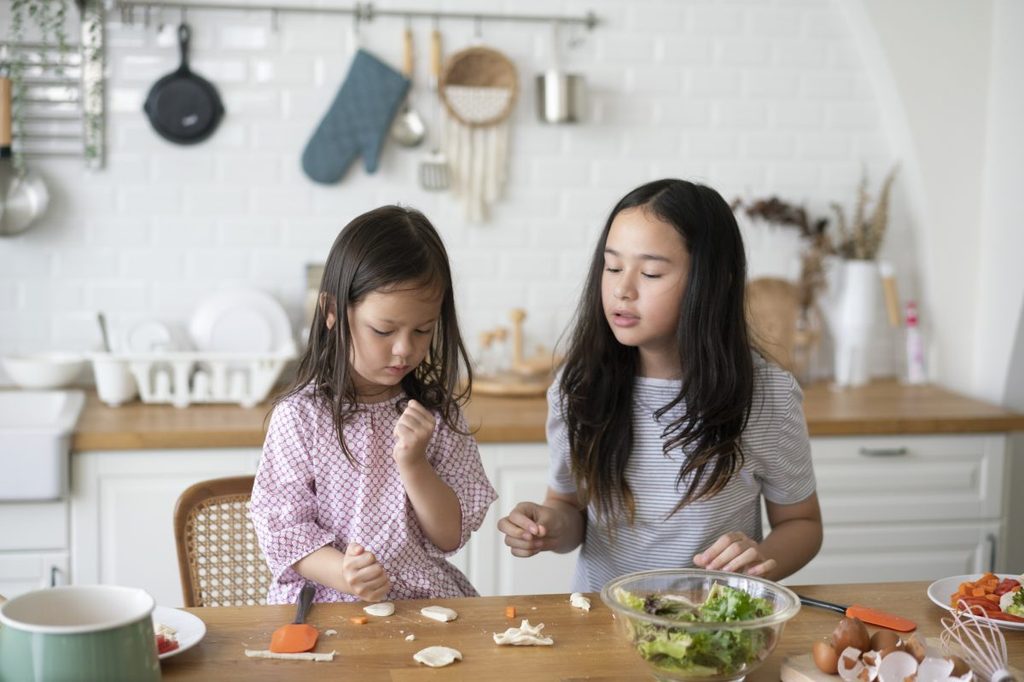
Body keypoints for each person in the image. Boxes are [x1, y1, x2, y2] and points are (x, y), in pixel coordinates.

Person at [497, 179, 822, 592]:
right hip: (602, 623)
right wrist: (545, 527)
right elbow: (568, 507)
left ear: (714, 280)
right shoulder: (579, 387)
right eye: (612, 267)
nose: (621, 289)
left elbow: (802, 523)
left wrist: (760, 560)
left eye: (650, 272)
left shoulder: (766, 396)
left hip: (711, 631)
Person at [251, 205, 497, 604]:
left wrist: (414, 464)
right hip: (327, 603)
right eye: (383, 330)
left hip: (422, 601)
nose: (404, 349)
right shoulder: (301, 418)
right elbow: (283, 527)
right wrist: (344, 573)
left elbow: (450, 534)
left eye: (423, 330)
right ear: (332, 312)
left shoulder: (435, 415)